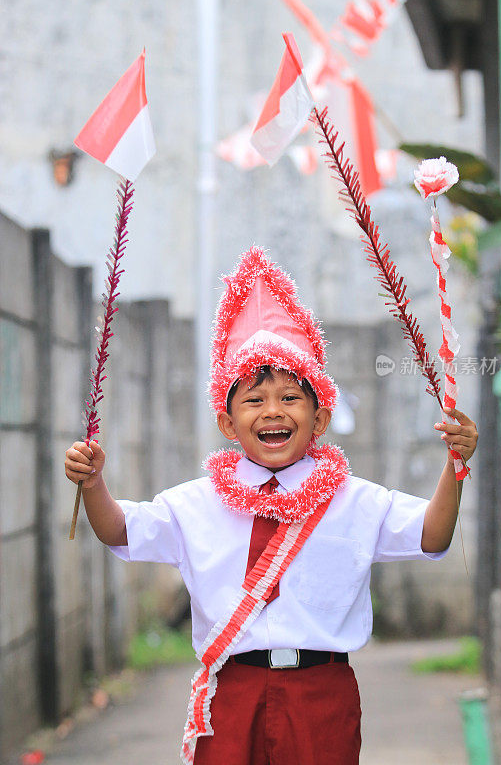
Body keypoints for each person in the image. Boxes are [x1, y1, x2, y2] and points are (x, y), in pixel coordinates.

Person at [65, 247, 478, 765]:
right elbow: (120, 530)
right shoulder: (195, 502)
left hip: (321, 693)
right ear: (227, 422)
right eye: (254, 400)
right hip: (231, 694)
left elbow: (431, 535)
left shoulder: (355, 499)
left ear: (320, 417)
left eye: (290, 397)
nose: (273, 412)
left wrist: (453, 467)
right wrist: (93, 482)